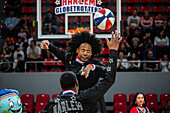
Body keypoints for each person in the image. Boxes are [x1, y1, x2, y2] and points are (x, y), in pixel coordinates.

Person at [41, 31, 122, 113]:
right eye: (83, 50)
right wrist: (47, 44)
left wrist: (94, 67)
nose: (85, 53)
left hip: (90, 99)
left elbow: (108, 73)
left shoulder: (96, 64)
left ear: (91, 53)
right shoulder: (69, 58)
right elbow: (56, 50)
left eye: (88, 51)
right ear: (77, 50)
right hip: (73, 99)